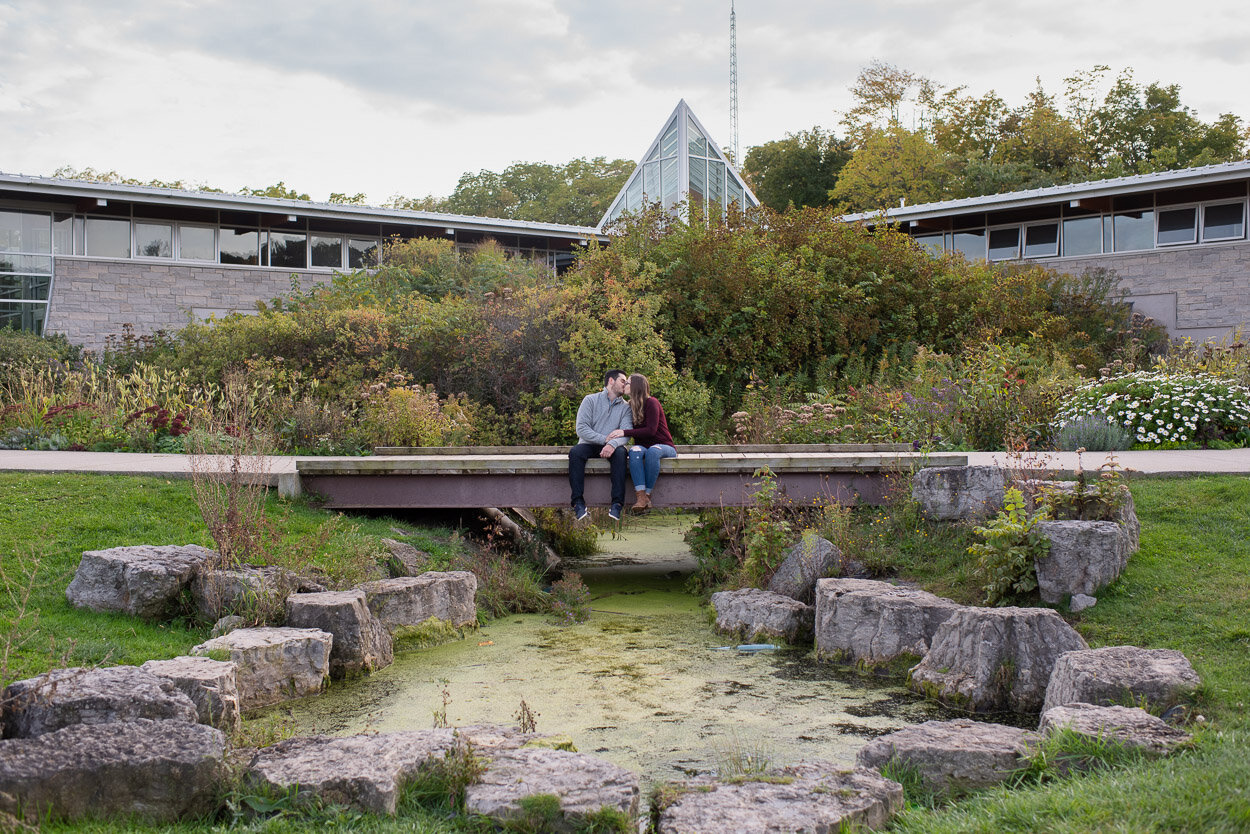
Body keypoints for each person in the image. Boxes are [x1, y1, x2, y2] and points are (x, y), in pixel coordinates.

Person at [568, 369, 633, 521]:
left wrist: (612, 445)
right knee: (575, 452)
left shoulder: (626, 407)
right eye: (623, 381)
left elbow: (626, 433)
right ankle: (578, 503)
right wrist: (606, 440)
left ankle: (617, 504)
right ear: (611, 381)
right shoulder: (590, 400)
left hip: (613, 447)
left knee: (622, 453)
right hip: (589, 444)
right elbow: (582, 429)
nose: (625, 385)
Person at [608, 373, 676, 511]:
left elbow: (651, 430)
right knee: (634, 451)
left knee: (653, 450)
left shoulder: (652, 403)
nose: (624, 384)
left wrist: (624, 432)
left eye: (627, 382)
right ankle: (641, 497)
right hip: (643, 447)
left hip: (664, 446)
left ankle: (647, 495)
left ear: (635, 386)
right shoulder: (630, 406)